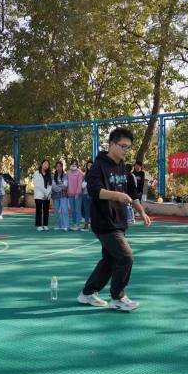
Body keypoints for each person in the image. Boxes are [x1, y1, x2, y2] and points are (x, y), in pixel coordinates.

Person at [78, 127, 151, 312]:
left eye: (128, 147)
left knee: (110, 260)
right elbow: (94, 191)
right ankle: (117, 297)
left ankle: (87, 293)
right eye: (123, 146)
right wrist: (117, 195)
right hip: (104, 222)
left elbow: (132, 194)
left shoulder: (124, 169)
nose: (126, 150)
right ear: (111, 144)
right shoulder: (98, 166)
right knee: (126, 256)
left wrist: (142, 212)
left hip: (119, 221)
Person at [33, 159, 52, 230]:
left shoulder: (49, 174)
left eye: (47, 164)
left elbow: (50, 185)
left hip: (47, 195)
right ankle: (39, 225)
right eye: (45, 163)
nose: (46, 165)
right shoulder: (36, 173)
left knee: (46, 210)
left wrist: (47, 193)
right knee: (39, 210)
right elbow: (37, 184)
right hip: (39, 195)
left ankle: (45, 225)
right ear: (41, 164)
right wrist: (45, 192)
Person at [67, 159, 84, 231]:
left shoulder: (79, 172)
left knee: (77, 210)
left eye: (75, 164)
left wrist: (77, 193)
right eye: (72, 163)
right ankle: (74, 223)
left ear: (77, 165)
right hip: (70, 194)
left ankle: (78, 224)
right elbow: (67, 183)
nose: (74, 165)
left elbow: (80, 184)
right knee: (73, 210)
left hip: (78, 194)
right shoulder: (68, 172)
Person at [51, 161, 69, 231]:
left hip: (63, 195)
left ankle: (66, 225)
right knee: (56, 211)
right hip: (55, 195)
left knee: (64, 210)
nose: (58, 168)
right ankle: (58, 225)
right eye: (57, 166)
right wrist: (60, 186)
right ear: (55, 167)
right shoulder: (53, 176)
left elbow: (65, 185)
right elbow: (53, 186)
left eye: (60, 166)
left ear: (62, 167)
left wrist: (59, 186)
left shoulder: (65, 175)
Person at [81, 160, 93, 231]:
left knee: (93, 210)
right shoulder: (84, 175)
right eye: (88, 166)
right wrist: (84, 184)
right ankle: (86, 225)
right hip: (85, 194)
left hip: (93, 195)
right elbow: (82, 185)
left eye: (91, 165)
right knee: (86, 210)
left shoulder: (96, 174)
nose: (90, 167)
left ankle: (93, 225)